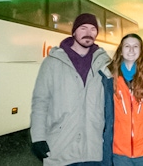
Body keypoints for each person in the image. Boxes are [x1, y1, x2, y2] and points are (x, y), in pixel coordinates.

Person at [30, 13, 110, 166]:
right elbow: (40, 101)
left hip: (94, 150)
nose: (88, 33)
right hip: (61, 147)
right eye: (83, 28)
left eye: (93, 29)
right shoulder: (53, 62)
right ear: (73, 32)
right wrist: (38, 137)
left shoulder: (104, 63)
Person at [101, 34, 143, 166]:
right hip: (119, 153)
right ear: (120, 50)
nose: (131, 50)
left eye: (135, 46)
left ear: (141, 50)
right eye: (127, 46)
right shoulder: (108, 77)